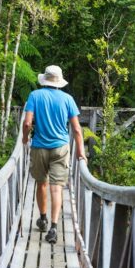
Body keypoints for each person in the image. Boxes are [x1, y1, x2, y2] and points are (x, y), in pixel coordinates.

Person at [22, 64, 86, 244]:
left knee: (41, 184)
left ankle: (42, 219)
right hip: (61, 148)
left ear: (45, 80)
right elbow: (76, 129)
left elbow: (27, 124)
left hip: (40, 147)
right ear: (59, 82)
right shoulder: (68, 99)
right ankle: (53, 228)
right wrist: (81, 151)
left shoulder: (34, 96)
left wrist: (25, 139)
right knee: (56, 188)